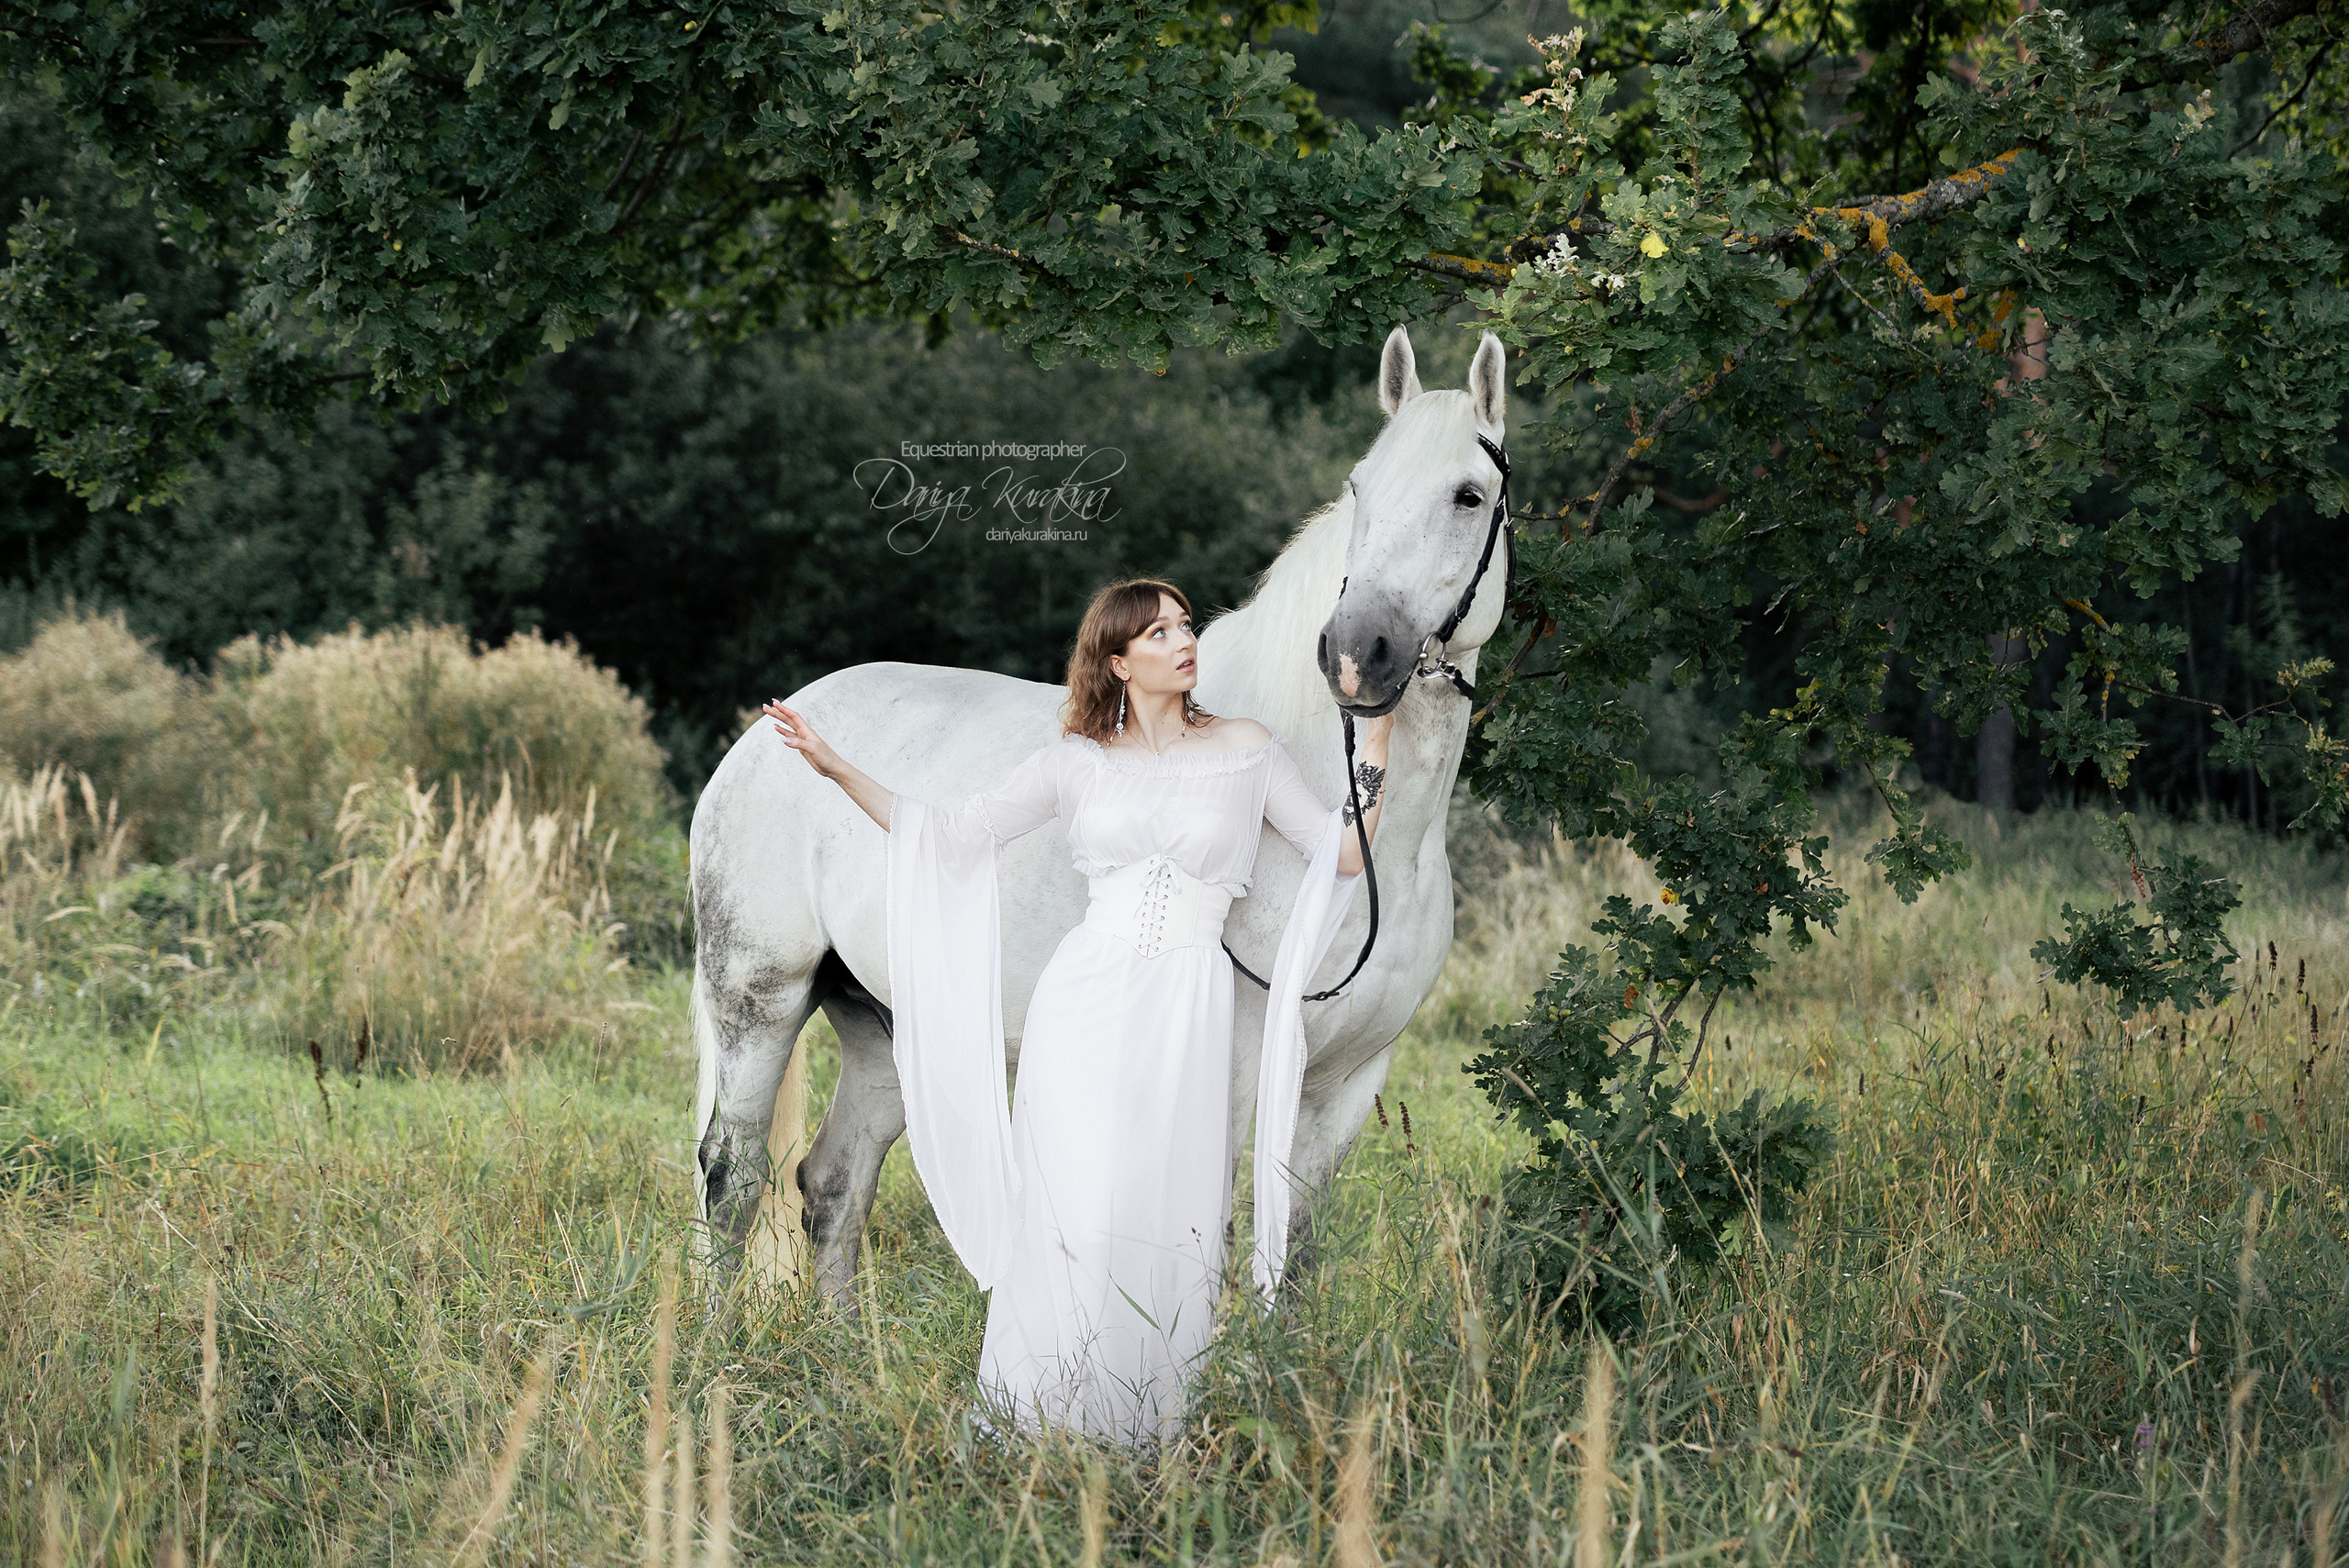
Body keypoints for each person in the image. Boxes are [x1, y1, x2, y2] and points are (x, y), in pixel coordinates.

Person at [762, 577, 1392, 1446]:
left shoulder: (1248, 750)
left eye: (1183, 625)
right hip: (1085, 1002)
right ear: (1118, 660)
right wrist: (835, 768)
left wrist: (1380, 728)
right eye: (1159, 631)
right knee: (1076, 1204)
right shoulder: (1076, 760)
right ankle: (1039, 1416)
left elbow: (1344, 852)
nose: (1183, 640)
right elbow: (951, 832)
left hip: (1187, 1006)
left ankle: (1148, 1427)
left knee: (1173, 1206)